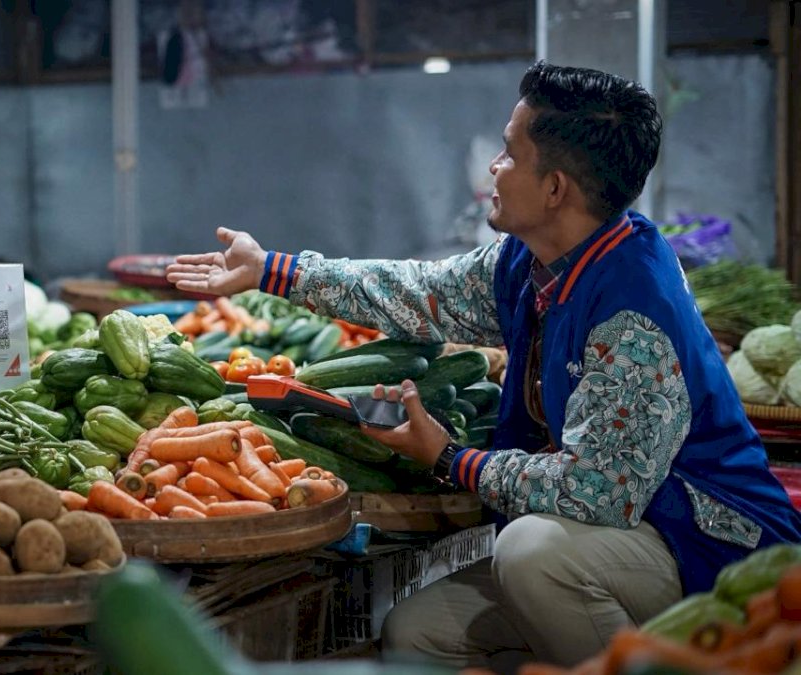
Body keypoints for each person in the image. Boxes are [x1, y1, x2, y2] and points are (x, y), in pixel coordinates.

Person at [167, 61, 801, 668]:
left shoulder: (633, 313)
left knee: (530, 553)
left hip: (705, 546)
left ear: (555, 189)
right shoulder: (534, 260)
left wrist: (449, 457)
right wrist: (272, 270)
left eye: (509, 153)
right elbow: (420, 293)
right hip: (622, 536)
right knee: (419, 635)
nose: (494, 167)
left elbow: (598, 493)